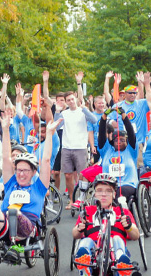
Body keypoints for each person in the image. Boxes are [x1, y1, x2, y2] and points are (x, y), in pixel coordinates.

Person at [0, 114, 59, 261]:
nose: (20, 174)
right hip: (4, 225)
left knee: (14, 211)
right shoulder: (11, 183)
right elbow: (7, 158)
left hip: (27, 228)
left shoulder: (39, 187)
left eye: (25, 170)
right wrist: (5, 129)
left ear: (33, 172)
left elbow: (46, 160)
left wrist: (50, 134)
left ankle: (14, 247)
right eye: (18, 170)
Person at [72, 173, 141, 276]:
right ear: (94, 194)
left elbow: (136, 235)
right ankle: (85, 268)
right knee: (86, 241)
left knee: (117, 239)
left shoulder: (123, 212)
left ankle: (121, 266)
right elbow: (75, 234)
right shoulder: (88, 211)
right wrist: (79, 228)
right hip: (93, 254)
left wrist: (129, 227)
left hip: (116, 253)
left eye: (108, 191)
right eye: (99, 191)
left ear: (114, 195)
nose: (103, 194)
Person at [59, 74, 99, 209]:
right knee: (68, 176)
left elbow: (94, 120)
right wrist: (57, 112)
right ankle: (71, 200)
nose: (71, 101)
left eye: (72, 99)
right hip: (66, 148)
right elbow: (56, 126)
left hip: (80, 148)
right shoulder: (64, 113)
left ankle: (83, 200)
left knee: (83, 176)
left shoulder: (82, 111)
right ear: (65, 102)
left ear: (75, 98)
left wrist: (79, 83)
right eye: (68, 100)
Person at [98, 107, 139, 200]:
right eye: (116, 140)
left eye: (122, 140)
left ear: (126, 141)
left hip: (127, 184)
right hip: (109, 184)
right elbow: (101, 134)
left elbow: (131, 132)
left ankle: (118, 212)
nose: (119, 142)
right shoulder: (107, 151)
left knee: (118, 192)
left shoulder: (131, 150)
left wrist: (124, 116)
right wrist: (104, 116)